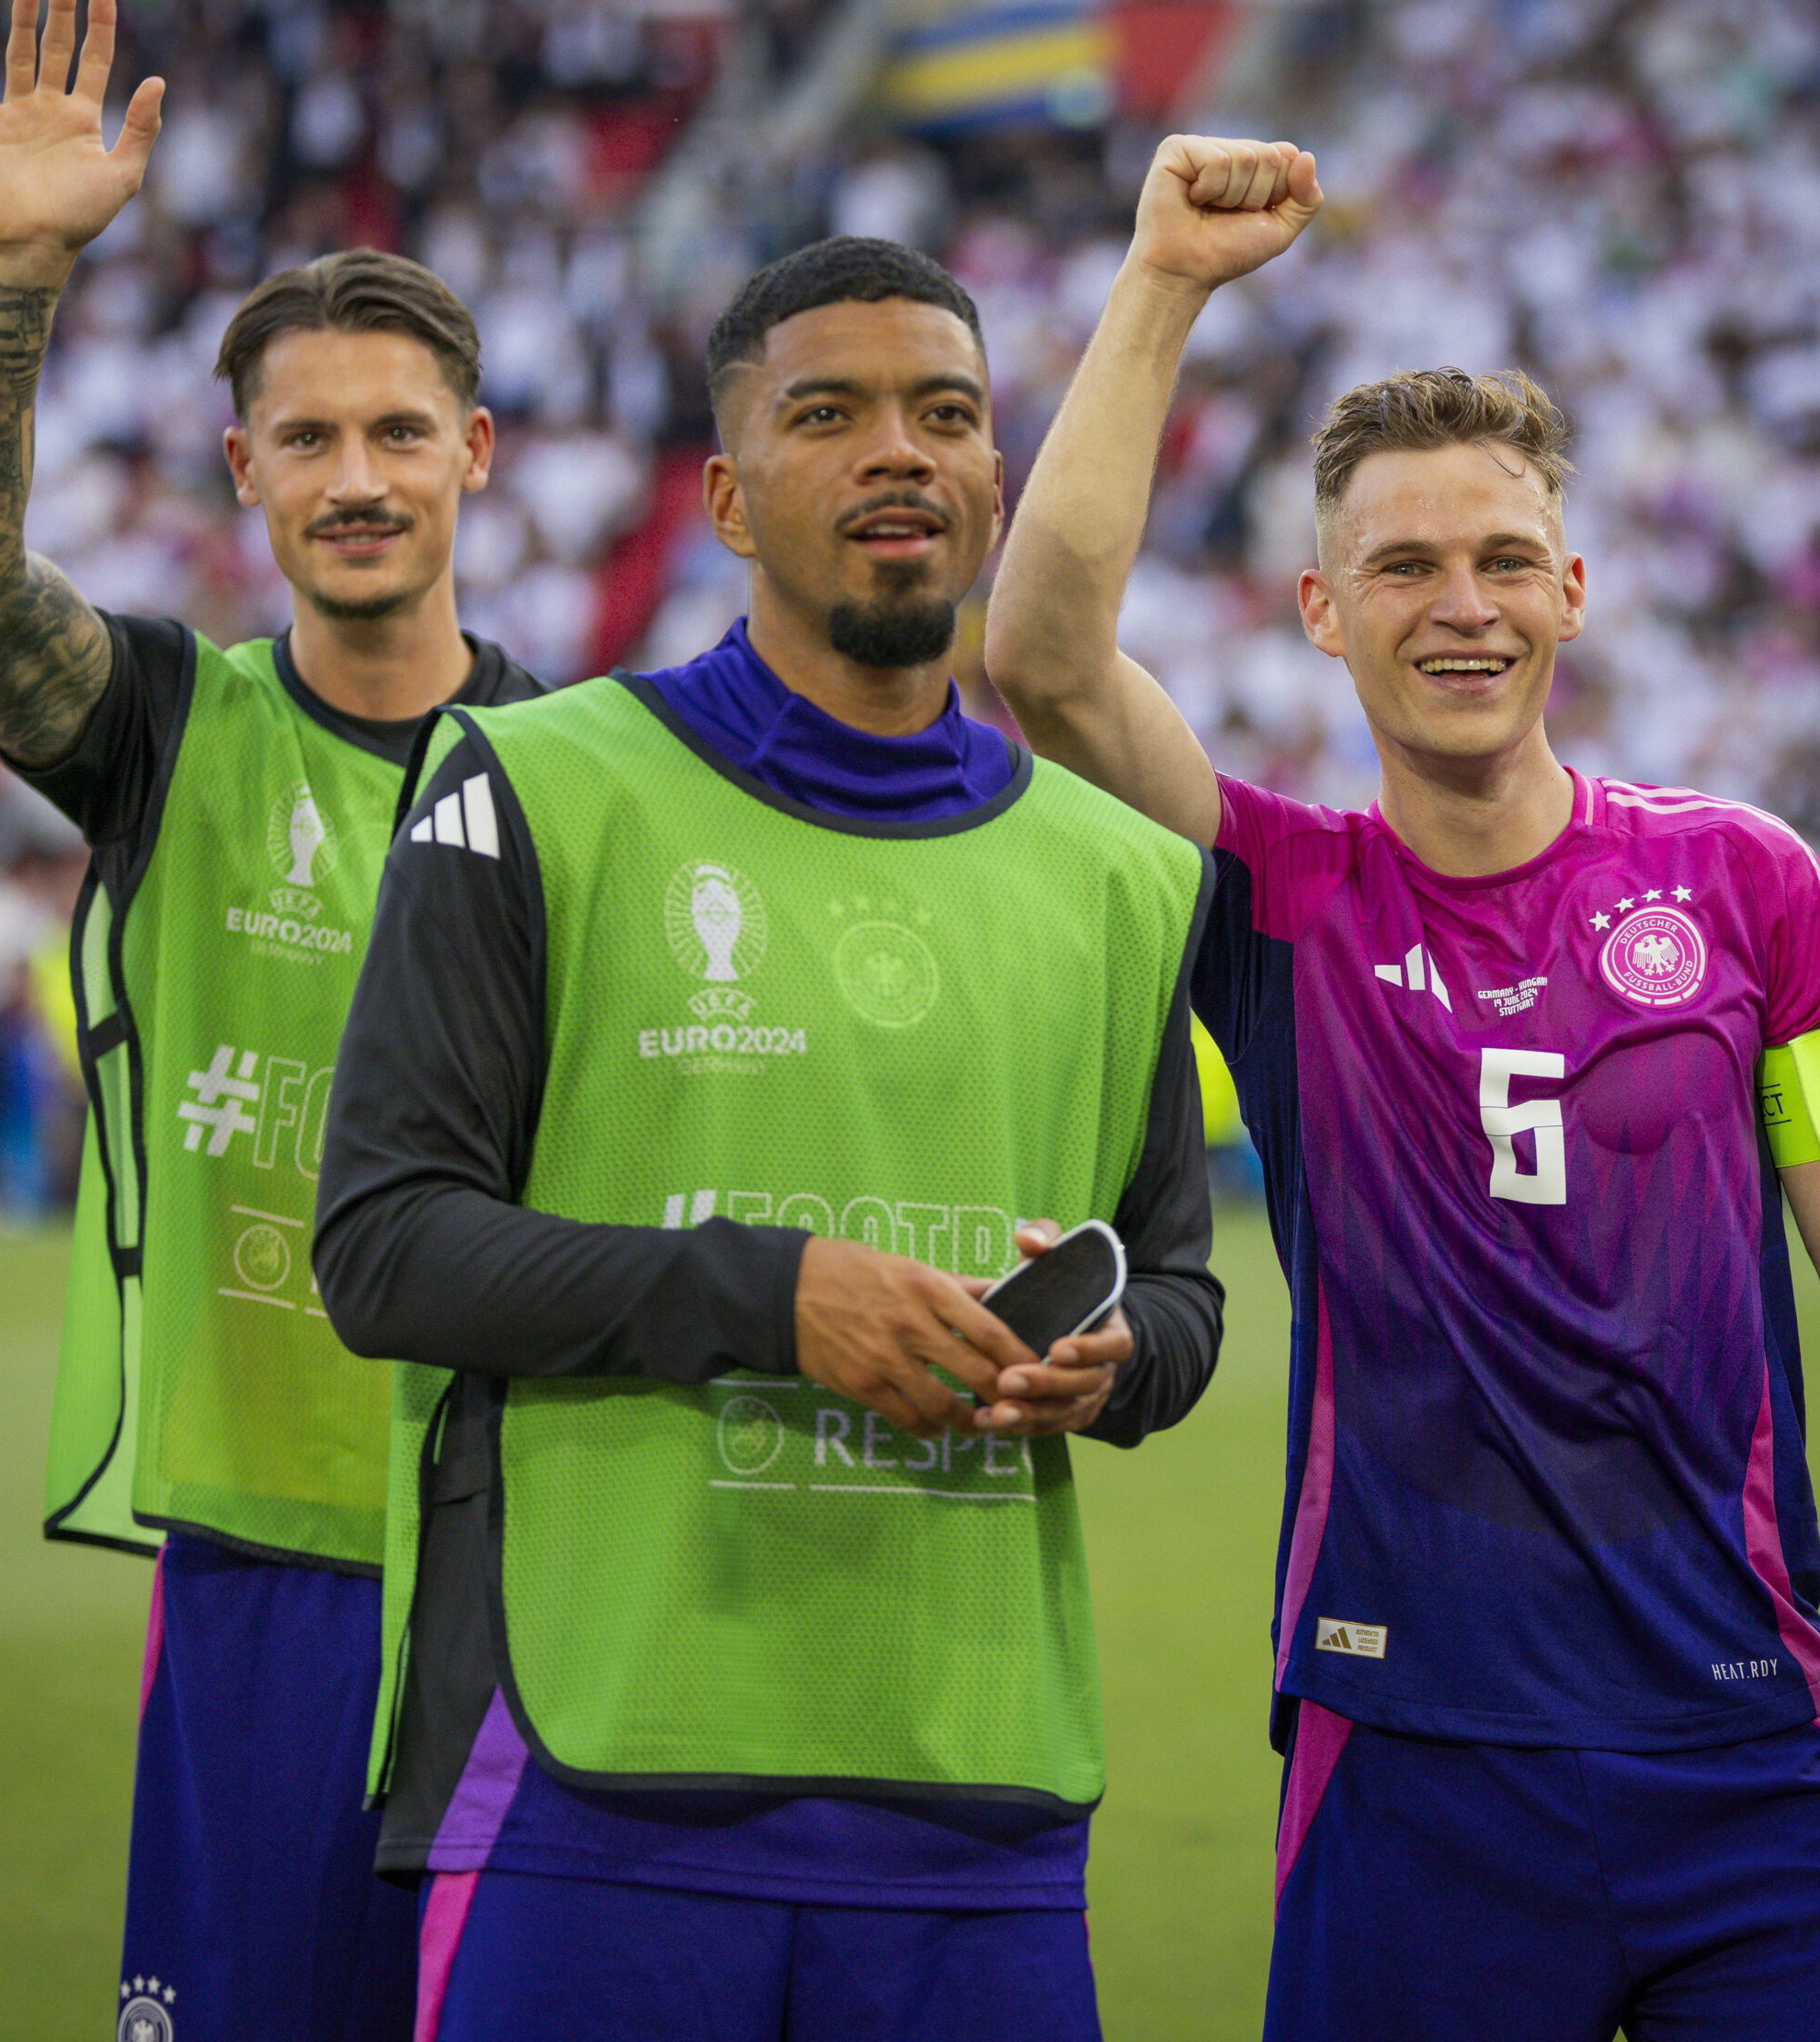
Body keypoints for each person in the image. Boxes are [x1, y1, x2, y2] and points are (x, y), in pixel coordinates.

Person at [983, 135, 1820, 2039]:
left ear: (1574, 588)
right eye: (1404, 565)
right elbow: (1036, 659)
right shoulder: (1275, 898)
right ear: (1317, 607)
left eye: (1502, 558)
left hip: (1750, 1743)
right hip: (1409, 1752)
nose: (1462, 604)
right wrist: (1161, 286)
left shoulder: (1745, 883)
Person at [311, 235, 1223, 2042]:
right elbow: (383, 1243)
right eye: (830, 414)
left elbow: (1178, 1291)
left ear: (987, 473)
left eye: (944, 415)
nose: (898, 452)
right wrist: (769, 1294)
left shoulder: (1128, 874)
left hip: (982, 1795)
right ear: (728, 494)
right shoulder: (529, 786)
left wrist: (1109, 1359)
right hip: (595, 1780)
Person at [0, 0, 541, 2042]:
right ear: (242, 467)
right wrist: (15, 280)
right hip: (263, 1556)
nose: (356, 476)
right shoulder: (171, 721)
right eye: (309, 437)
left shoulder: (595, 762)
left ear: (475, 456)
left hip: (542, 1560)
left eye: (396, 432)